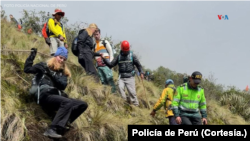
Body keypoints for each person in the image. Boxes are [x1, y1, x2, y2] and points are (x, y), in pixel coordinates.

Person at [24, 47, 88, 138]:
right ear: (56, 56)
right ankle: (52, 129)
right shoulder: (43, 65)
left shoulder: (63, 73)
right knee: (67, 102)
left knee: (82, 104)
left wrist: (52, 74)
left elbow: (62, 85)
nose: (62, 60)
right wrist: (31, 56)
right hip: (44, 95)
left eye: (64, 59)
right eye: (60, 57)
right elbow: (27, 69)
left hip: (55, 95)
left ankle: (64, 122)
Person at [100, 40, 144, 106]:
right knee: (120, 89)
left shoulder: (132, 55)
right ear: (122, 49)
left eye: (127, 50)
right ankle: (124, 104)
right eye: (125, 50)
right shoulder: (118, 56)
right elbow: (111, 65)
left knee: (132, 93)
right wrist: (104, 59)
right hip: (121, 77)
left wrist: (141, 72)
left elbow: (138, 65)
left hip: (130, 77)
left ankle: (136, 106)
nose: (126, 51)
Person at [93, 28, 116, 93]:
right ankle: (106, 94)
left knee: (110, 79)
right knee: (103, 81)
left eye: (97, 34)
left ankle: (114, 94)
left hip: (106, 65)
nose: (96, 36)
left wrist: (110, 63)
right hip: (99, 66)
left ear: (100, 34)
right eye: (95, 35)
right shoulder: (94, 45)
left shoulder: (104, 42)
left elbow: (111, 52)